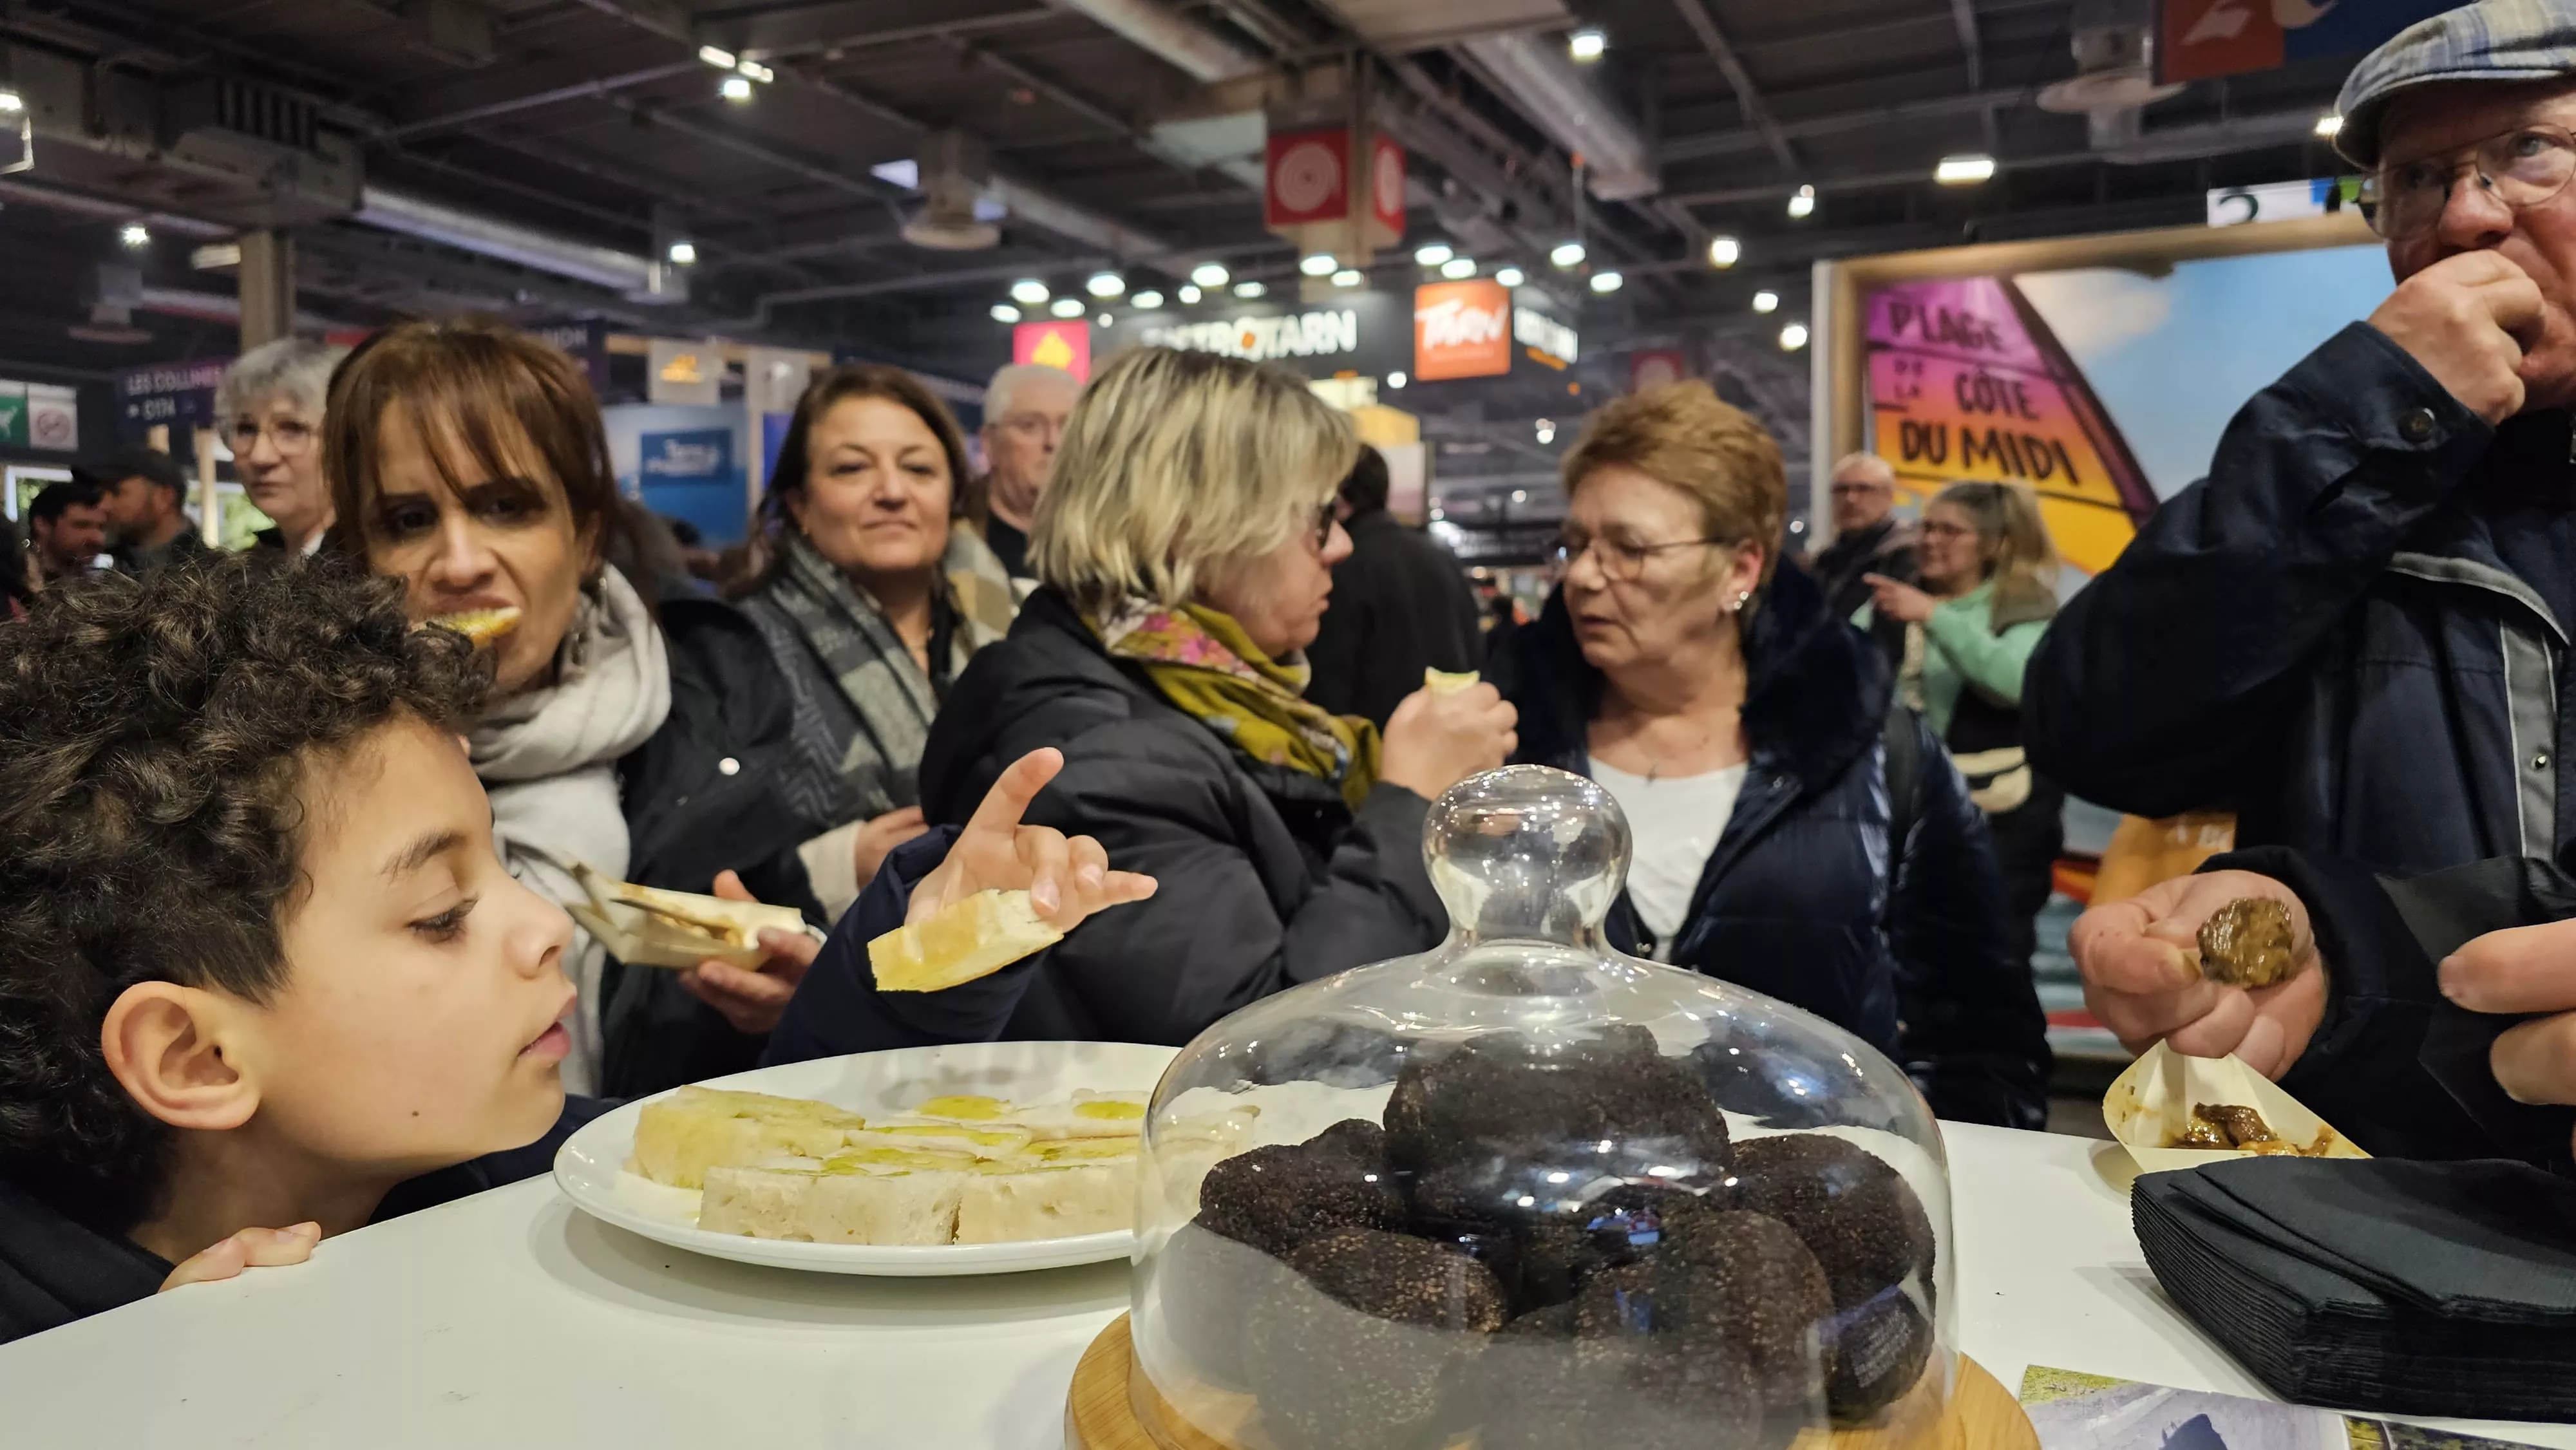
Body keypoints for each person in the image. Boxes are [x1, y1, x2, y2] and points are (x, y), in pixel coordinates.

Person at [0, 558, 1153, 1344]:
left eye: (499, 866)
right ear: (195, 1055)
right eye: (441, 914)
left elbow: (757, 1159)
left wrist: (919, 955)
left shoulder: (518, 1164)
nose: (542, 921)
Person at [2040, 3, 2576, 1156]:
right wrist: (2362, 416)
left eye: (2530, 150)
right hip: (2357, 1207)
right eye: (2418, 179)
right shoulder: (2356, 480)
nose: (2466, 216)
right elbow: (2098, 733)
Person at [766, 347, 1518, 1058]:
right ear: (1196, 531)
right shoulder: (1104, 748)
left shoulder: (1223, 703)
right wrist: (1409, 801)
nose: (1339, 548)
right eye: (1316, 518)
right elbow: (1259, 1049)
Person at [1488, 382, 2049, 1128]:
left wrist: (1922, 1163)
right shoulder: (1502, 742)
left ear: (1740, 569)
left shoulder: (1872, 750)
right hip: (1538, 1202)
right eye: (1578, 544)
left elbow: (1982, 1027)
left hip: (1809, 1215)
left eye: (1630, 547)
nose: (1586, 575)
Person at [322, 316, 823, 1100]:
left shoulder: (708, 722)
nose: (459, 563)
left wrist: (791, 1006)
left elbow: (798, 1021)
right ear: (362, 556)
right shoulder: (302, 762)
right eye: (408, 521)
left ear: (585, 538)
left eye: (505, 507)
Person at [735, 363, 1017, 921]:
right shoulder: (738, 649)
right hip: (836, 968)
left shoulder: (1019, 623)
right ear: (800, 504)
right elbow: (696, 857)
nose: (892, 492)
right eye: (851, 468)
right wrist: (839, 865)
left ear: (951, 496)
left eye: (918, 469)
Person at [1859, 480, 2063, 976]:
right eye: (1927, 527)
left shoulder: (2025, 607)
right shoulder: (1893, 599)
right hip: (1903, 815)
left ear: (1993, 543)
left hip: (2002, 822)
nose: (1931, 540)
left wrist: (1933, 617)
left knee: (1993, 958)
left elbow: (2015, 681)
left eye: (1951, 530)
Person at [1303, 444, 1484, 727]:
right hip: (1455, 741)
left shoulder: (1342, 567)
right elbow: (1474, 651)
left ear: (1340, 498)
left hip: (1380, 756)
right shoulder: (1440, 557)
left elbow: (1331, 684)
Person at [218, 337, 348, 557]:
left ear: (347, 441)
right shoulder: (246, 571)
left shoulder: (374, 573)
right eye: (246, 429)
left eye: (292, 429)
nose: (261, 457)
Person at [967, 362, 1077, 581]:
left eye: (1068, 427)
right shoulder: (951, 548)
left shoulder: (1114, 548)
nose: (1053, 442)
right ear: (989, 444)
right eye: (1030, 426)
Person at [1809, 451, 1918, 663]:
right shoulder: (1827, 559)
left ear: (1889, 496)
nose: (1851, 499)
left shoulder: (1905, 554)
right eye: (1842, 490)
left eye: (1864, 489)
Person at [86, 447, 205, 575]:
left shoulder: (210, 576)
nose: (103, 505)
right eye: (102, 494)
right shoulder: (110, 565)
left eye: (117, 492)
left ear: (165, 498)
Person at [25, 479, 107, 587]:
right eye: (82, 525)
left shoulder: (93, 586)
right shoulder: (15, 582)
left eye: (102, 527)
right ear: (43, 524)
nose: (98, 538)